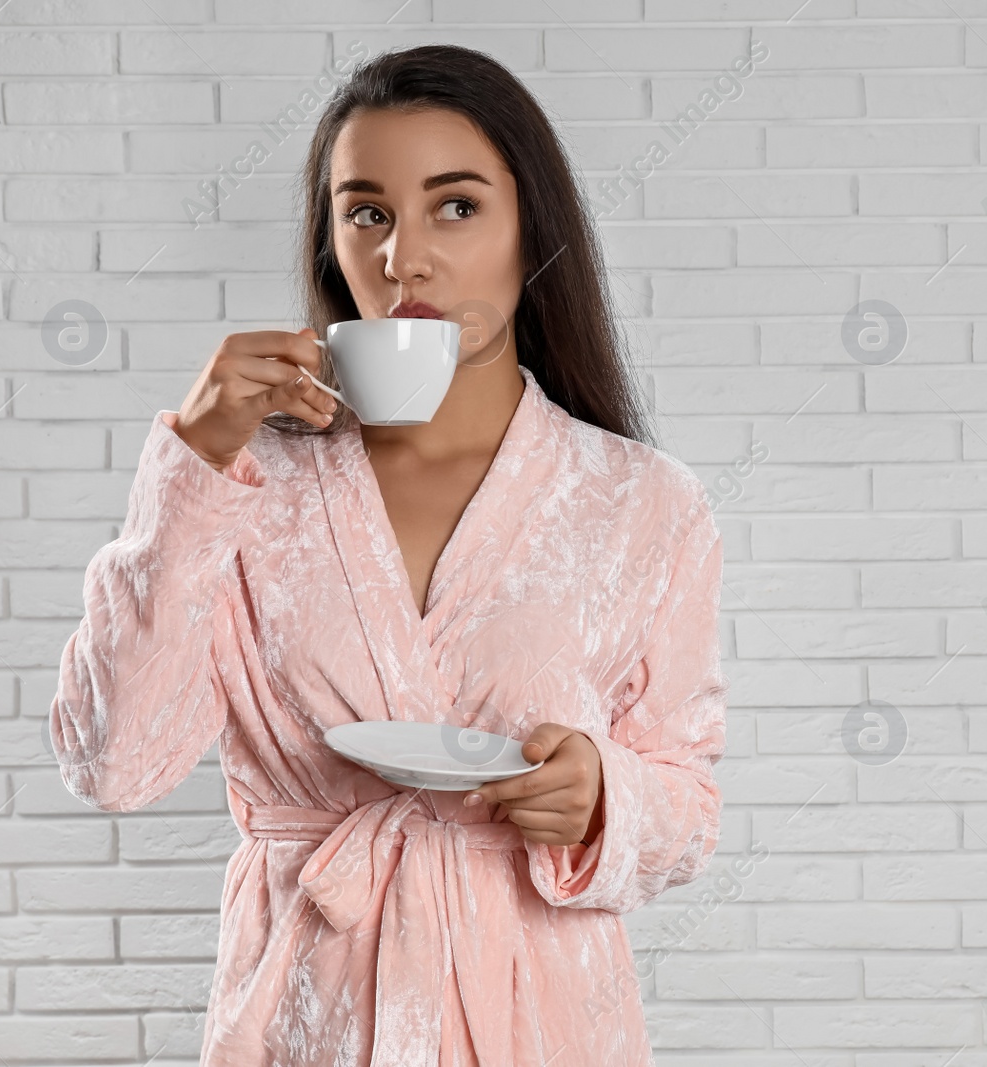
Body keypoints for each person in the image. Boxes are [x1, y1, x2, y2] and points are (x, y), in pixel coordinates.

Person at [49, 43, 728, 1066]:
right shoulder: (245, 486)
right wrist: (188, 466)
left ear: (529, 229)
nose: (402, 256)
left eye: (454, 206)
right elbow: (113, 763)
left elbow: (686, 798)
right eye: (366, 211)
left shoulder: (641, 502)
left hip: (538, 1019)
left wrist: (602, 796)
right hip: (302, 1019)